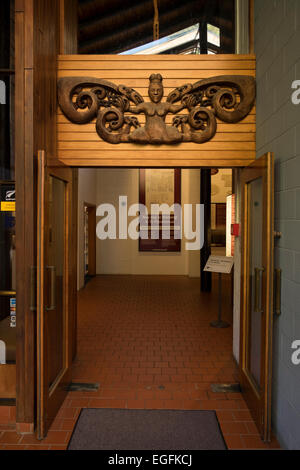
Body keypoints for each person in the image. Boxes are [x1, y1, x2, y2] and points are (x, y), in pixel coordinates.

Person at [127, 74, 185, 144]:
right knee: (132, 136)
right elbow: (135, 110)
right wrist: (127, 107)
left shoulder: (165, 105)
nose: (155, 93)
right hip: (146, 132)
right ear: (148, 92)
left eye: (158, 90)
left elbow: (175, 109)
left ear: (162, 92)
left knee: (177, 136)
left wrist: (184, 104)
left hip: (164, 132)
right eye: (152, 90)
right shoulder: (145, 105)